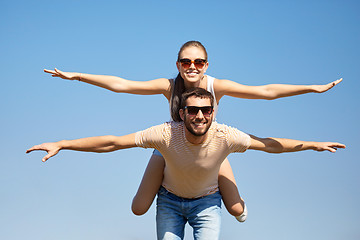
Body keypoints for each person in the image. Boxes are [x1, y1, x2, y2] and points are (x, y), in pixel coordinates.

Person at [43, 40, 343, 221]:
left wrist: (311, 89)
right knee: (138, 208)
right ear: (178, 63)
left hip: (209, 150)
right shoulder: (168, 85)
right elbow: (121, 84)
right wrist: (77, 76)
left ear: (206, 64)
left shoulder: (216, 85)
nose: (192, 66)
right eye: (186, 61)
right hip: (173, 148)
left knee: (237, 209)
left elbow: (265, 91)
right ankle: (173, 196)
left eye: (198, 61)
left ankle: (228, 204)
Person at [26, 88, 345, 240]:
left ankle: (238, 204)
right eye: (193, 110)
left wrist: (312, 144)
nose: (200, 116)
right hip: (169, 200)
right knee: (138, 207)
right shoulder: (165, 133)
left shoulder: (226, 135)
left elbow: (269, 145)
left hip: (207, 203)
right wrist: (63, 144)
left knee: (235, 210)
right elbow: (113, 142)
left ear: (213, 112)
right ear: (182, 112)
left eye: (206, 110)